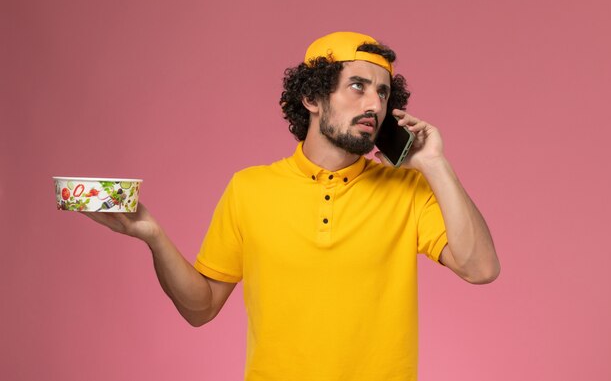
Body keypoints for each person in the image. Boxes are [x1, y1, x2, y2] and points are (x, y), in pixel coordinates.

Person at [85, 31, 500, 381]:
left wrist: (435, 164)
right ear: (312, 98)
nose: (374, 104)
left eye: (383, 92)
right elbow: (202, 307)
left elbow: (481, 268)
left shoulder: (407, 189)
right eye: (358, 86)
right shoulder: (250, 188)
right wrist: (152, 234)